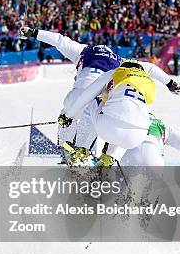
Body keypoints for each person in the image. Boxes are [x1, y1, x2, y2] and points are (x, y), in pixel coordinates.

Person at [20, 26, 123, 159]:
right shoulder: (120, 61)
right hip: (99, 101)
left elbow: (59, 40)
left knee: (67, 118)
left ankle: (66, 151)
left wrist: (34, 32)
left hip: (80, 91)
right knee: (90, 126)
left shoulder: (84, 50)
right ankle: (84, 154)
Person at [60, 61, 180, 166]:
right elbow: (152, 68)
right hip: (136, 138)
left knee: (95, 101)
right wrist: (170, 83)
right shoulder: (149, 81)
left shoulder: (115, 72)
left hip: (110, 128)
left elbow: (86, 95)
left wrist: (68, 115)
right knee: (126, 113)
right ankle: (109, 157)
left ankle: (81, 150)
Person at [121, 112, 180, 183]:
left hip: (131, 158)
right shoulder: (163, 126)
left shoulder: (131, 121)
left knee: (122, 190)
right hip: (154, 161)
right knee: (149, 192)